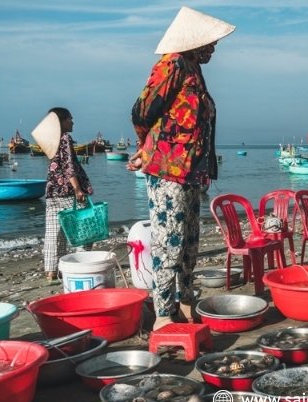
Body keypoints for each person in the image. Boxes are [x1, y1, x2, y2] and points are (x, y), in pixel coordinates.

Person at [128, 6, 235, 331]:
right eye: (211, 42)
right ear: (195, 41)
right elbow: (142, 111)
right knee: (168, 242)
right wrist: (146, 148)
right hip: (168, 171)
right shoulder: (172, 63)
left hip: (191, 172)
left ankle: (185, 302)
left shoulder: (192, 68)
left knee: (189, 241)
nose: (214, 48)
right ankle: (163, 314)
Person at [37, 107, 94, 283]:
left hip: (52, 191)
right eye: (69, 119)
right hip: (68, 191)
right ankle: (82, 264)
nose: (72, 121)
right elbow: (68, 166)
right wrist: (77, 188)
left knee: (54, 233)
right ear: (60, 122)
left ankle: (52, 271)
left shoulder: (49, 140)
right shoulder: (64, 138)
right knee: (86, 227)